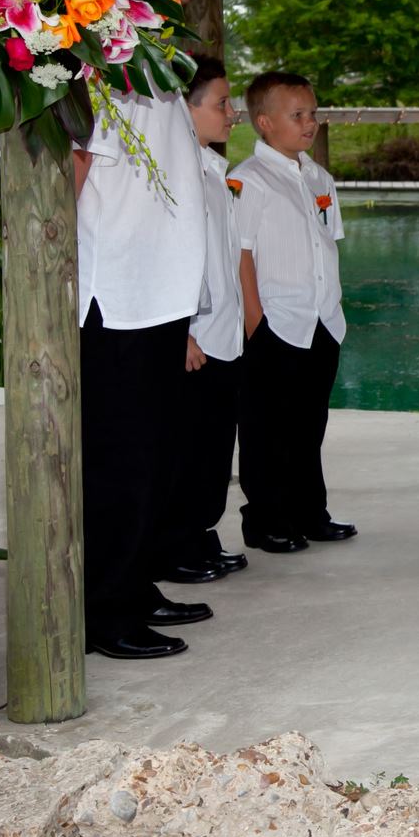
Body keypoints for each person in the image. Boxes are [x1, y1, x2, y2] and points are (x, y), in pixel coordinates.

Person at [74, 55, 214, 660]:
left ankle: (133, 585)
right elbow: (77, 164)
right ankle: (104, 611)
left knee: (157, 459)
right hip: (118, 297)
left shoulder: (158, 66)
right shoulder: (96, 65)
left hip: (161, 296)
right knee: (119, 465)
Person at [231, 72, 356, 555]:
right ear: (265, 123)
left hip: (320, 321)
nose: (310, 123)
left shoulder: (319, 178)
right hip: (276, 323)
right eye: (297, 115)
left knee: (309, 425)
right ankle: (266, 520)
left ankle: (309, 512)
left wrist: (333, 310)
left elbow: (327, 242)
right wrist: (255, 323)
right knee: (267, 429)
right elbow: (239, 254)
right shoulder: (247, 180)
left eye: (313, 113)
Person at [159, 55, 250, 585]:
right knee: (187, 449)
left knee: (216, 447)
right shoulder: (175, 172)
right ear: (184, 107)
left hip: (225, 335)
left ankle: (200, 533)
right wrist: (183, 331)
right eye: (222, 103)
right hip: (195, 338)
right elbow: (169, 254)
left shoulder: (214, 170)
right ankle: (175, 545)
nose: (231, 113)